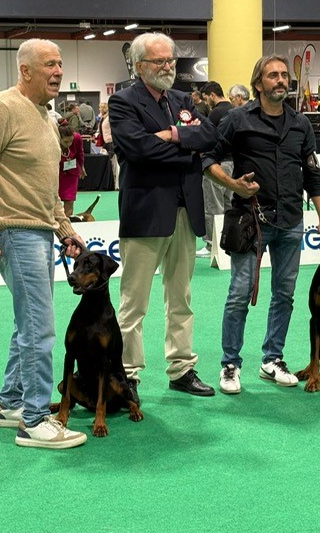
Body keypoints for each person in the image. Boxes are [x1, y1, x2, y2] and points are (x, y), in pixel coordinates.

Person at [0, 38, 87, 449]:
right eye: (49, 64)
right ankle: (34, 419)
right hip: (14, 232)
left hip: (39, 232)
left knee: (28, 324)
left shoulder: (45, 116)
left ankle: (10, 403)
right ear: (25, 70)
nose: (58, 71)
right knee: (39, 328)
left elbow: (45, 188)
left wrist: (64, 228)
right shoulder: (2, 109)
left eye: (60, 63)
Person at [202, 54, 320, 394]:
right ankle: (230, 364)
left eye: (285, 75)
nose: (281, 80)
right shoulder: (236, 119)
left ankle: (272, 359)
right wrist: (233, 185)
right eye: (273, 75)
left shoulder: (301, 124)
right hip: (250, 220)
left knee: (284, 295)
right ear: (258, 83)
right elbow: (207, 158)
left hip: (291, 220)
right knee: (239, 294)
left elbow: (313, 174)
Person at [108, 32, 220, 403]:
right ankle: (126, 375)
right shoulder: (122, 102)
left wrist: (171, 134)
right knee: (134, 303)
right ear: (139, 65)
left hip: (185, 212)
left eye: (170, 60)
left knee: (181, 298)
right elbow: (138, 149)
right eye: (159, 61)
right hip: (145, 214)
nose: (168, 66)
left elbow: (209, 136)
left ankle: (182, 369)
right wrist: (185, 146)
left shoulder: (182, 99)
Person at [197, 81, 233, 257]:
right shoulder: (235, 110)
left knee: (212, 205)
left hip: (217, 164)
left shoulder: (215, 113)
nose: (206, 102)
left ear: (212, 95)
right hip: (232, 164)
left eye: (206, 99)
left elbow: (205, 136)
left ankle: (211, 245)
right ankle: (229, 241)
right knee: (228, 205)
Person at [58, 121, 86, 217]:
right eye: (66, 142)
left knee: (69, 201)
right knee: (54, 202)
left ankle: (67, 223)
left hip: (72, 173)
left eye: (71, 140)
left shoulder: (77, 138)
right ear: (59, 138)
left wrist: (82, 167)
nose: (69, 144)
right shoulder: (53, 140)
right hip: (57, 173)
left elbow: (80, 153)